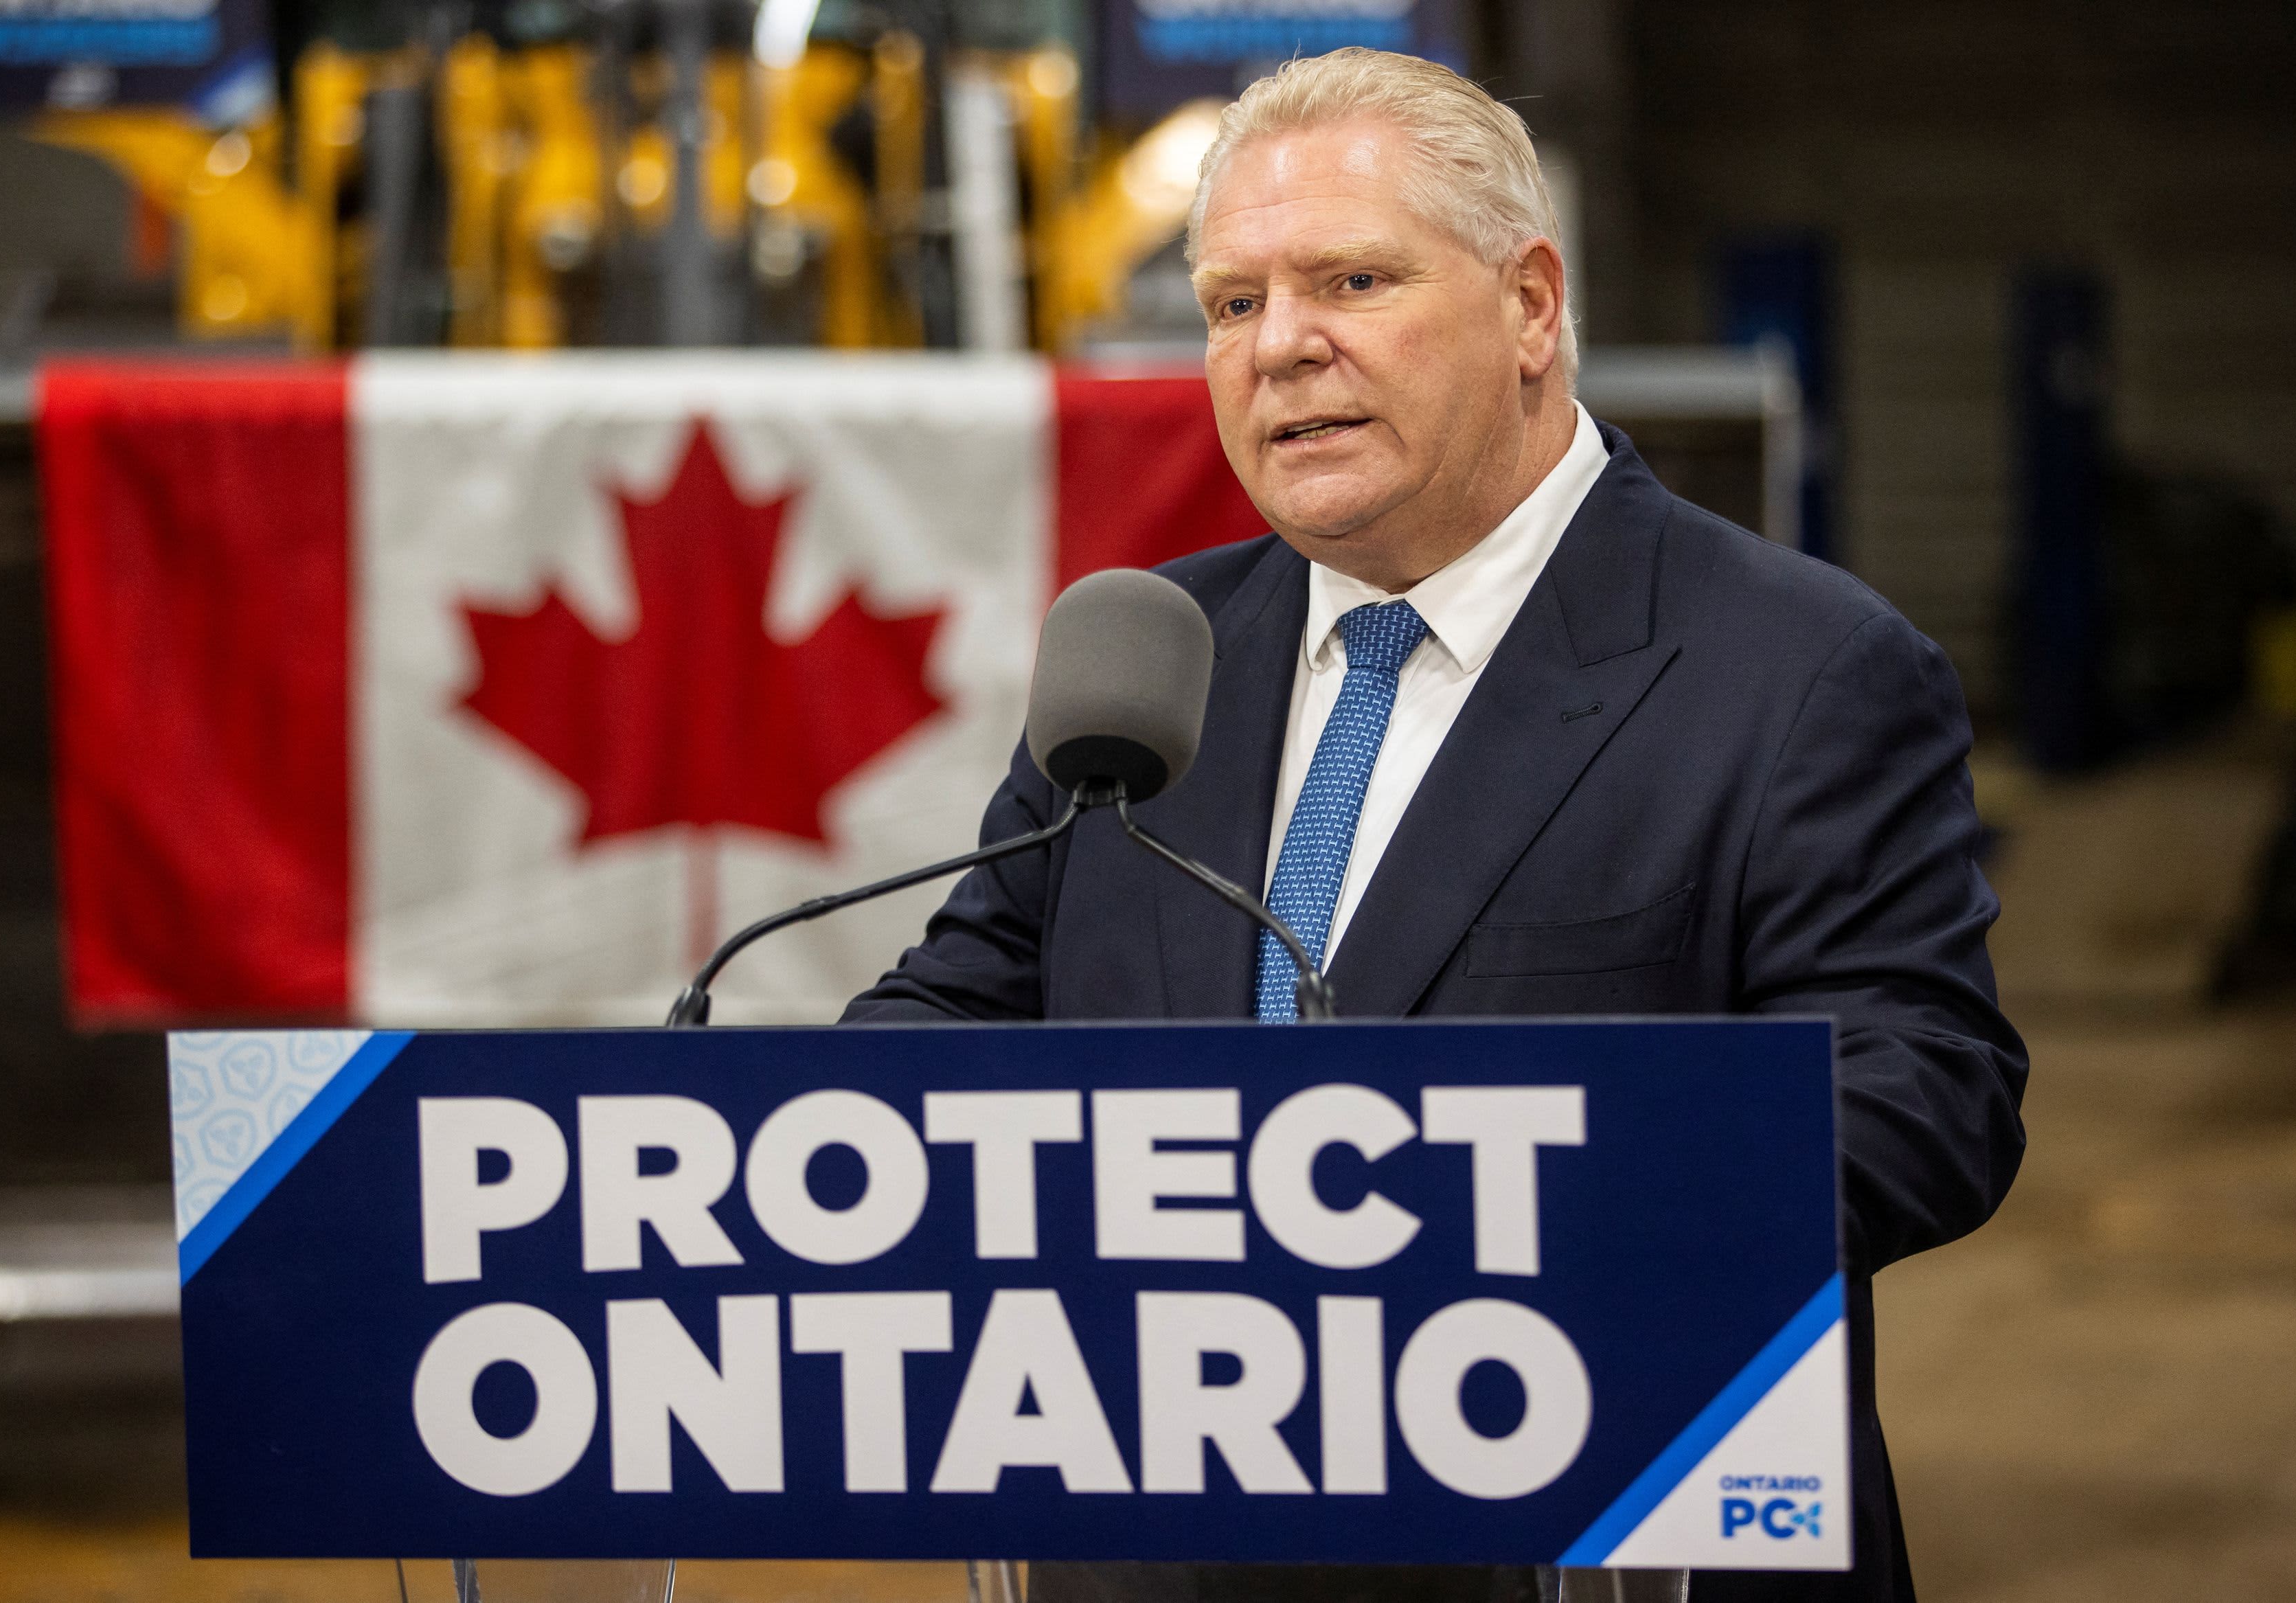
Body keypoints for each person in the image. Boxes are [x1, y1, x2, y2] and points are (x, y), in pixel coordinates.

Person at [847, 47, 2026, 1603]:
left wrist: (1460, 1215)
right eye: (1232, 303)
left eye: (1350, 279)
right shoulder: (1148, 662)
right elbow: (957, 1013)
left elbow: (1924, 1091)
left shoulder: (1802, 668)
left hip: (1589, 1545)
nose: (1282, 348)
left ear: (1531, 306)